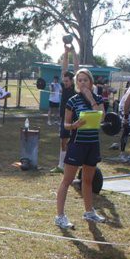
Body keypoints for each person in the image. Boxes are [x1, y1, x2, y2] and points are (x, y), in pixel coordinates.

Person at [54, 68, 106, 229]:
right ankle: (60, 216)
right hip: (77, 144)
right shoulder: (72, 101)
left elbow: (102, 116)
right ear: (77, 83)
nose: (83, 83)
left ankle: (89, 212)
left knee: (88, 180)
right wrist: (74, 125)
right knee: (67, 180)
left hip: (92, 144)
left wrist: (91, 99)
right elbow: (66, 124)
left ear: (91, 82)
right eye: (80, 80)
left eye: (86, 80)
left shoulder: (97, 99)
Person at [51, 44, 79, 174]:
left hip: (75, 119)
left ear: (73, 81)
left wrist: (73, 52)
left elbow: (77, 68)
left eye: (67, 81)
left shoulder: (75, 88)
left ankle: (72, 163)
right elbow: (64, 68)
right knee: (63, 140)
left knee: (73, 142)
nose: (65, 82)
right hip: (64, 118)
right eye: (65, 81)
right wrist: (65, 52)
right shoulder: (64, 85)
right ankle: (61, 165)